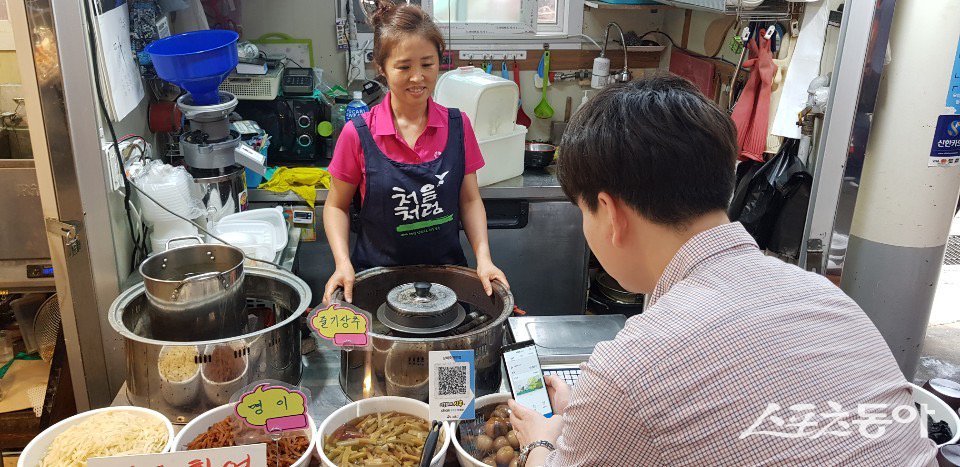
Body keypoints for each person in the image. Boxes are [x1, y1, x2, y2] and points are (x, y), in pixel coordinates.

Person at [508, 75, 939, 466]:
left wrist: (541, 442)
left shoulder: (629, 370)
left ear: (610, 213)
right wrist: (589, 417)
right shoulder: (827, 298)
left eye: (582, 210)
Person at [322, 1, 507, 303]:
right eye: (404, 67)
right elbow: (336, 207)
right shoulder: (358, 134)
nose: (418, 77)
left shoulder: (458, 126)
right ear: (382, 68)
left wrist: (483, 259)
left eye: (427, 64)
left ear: (439, 62)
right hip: (375, 283)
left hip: (447, 283)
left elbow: (470, 199)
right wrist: (342, 263)